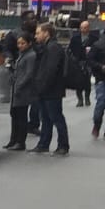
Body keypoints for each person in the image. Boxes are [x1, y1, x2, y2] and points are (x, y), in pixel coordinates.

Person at [32, 24, 70, 154]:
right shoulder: (48, 47)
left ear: (46, 33)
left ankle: (63, 145)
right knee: (46, 118)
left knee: (56, 117)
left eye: (38, 33)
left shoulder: (53, 48)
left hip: (51, 90)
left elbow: (50, 71)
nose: (36, 36)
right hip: (47, 89)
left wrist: (42, 86)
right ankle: (43, 144)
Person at [3, 33, 39, 151]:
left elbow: (29, 74)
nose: (20, 45)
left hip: (23, 90)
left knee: (21, 116)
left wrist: (20, 85)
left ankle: (20, 141)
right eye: (19, 43)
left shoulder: (31, 55)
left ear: (29, 43)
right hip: (17, 87)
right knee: (14, 114)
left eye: (23, 43)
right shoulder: (22, 55)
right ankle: (13, 139)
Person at [69, 20, 94, 107]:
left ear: (88, 28)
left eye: (85, 28)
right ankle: (80, 99)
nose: (83, 29)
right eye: (82, 28)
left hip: (88, 62)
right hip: (77, 62)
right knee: (78, 81)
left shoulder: (93, 38)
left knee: (87, 80)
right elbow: (70, 49)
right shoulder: (75, 38)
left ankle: (87, 98)